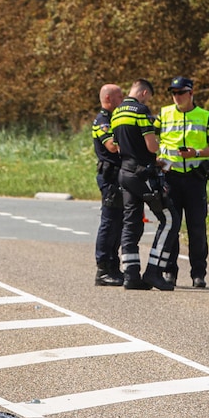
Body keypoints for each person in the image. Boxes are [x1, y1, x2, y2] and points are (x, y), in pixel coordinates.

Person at [110, 78, 175, 291]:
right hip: (142, 174)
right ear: (145, 93)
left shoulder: (117, 113)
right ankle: (154, 271)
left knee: (131, 222)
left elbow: (118, 147)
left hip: (125, 173)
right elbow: (151, 145)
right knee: (169, 218)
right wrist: (157, 158)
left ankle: (130, 274)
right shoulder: (141, 111)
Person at [157, 76, 209, 288]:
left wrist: (196, 153)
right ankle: (169, 272)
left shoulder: (204, 115)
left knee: (197, 228)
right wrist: (159, 163)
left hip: (195, 179)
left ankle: (198, 273)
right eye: (173, 93)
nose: (176, 97)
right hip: (171, 177)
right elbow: (151, 142)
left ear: (191, 93)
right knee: (171, 226)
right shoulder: (164, 114)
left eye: (181, 93)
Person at [92, 84, 125, 286]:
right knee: (109, 222)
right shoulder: (103, 120)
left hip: (118, 177)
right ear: (109, 99)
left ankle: (113, 266)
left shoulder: (114, 119)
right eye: (120, 97)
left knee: (118, 223)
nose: (122, 100)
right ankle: (103, 269)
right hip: (109, 177)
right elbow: (111, 146)